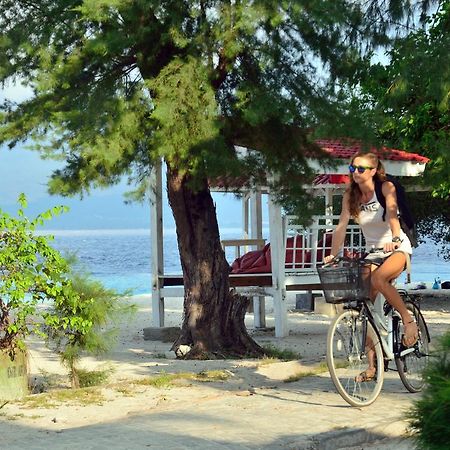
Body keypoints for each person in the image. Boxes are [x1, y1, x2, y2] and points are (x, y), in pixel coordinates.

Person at [324, 151, 419, 382]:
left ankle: (408, 321)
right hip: (373, 252)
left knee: (379, 280)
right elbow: (341, 227)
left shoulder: (385, 188)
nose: (356, 173)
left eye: (361, 169)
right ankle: (372, 366)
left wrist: (395, 238)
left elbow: (394, 214)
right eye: (352, 168)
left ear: (373, 170)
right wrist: (332, 255)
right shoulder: (351, 196)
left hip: (397, 248)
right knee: (363, 304)